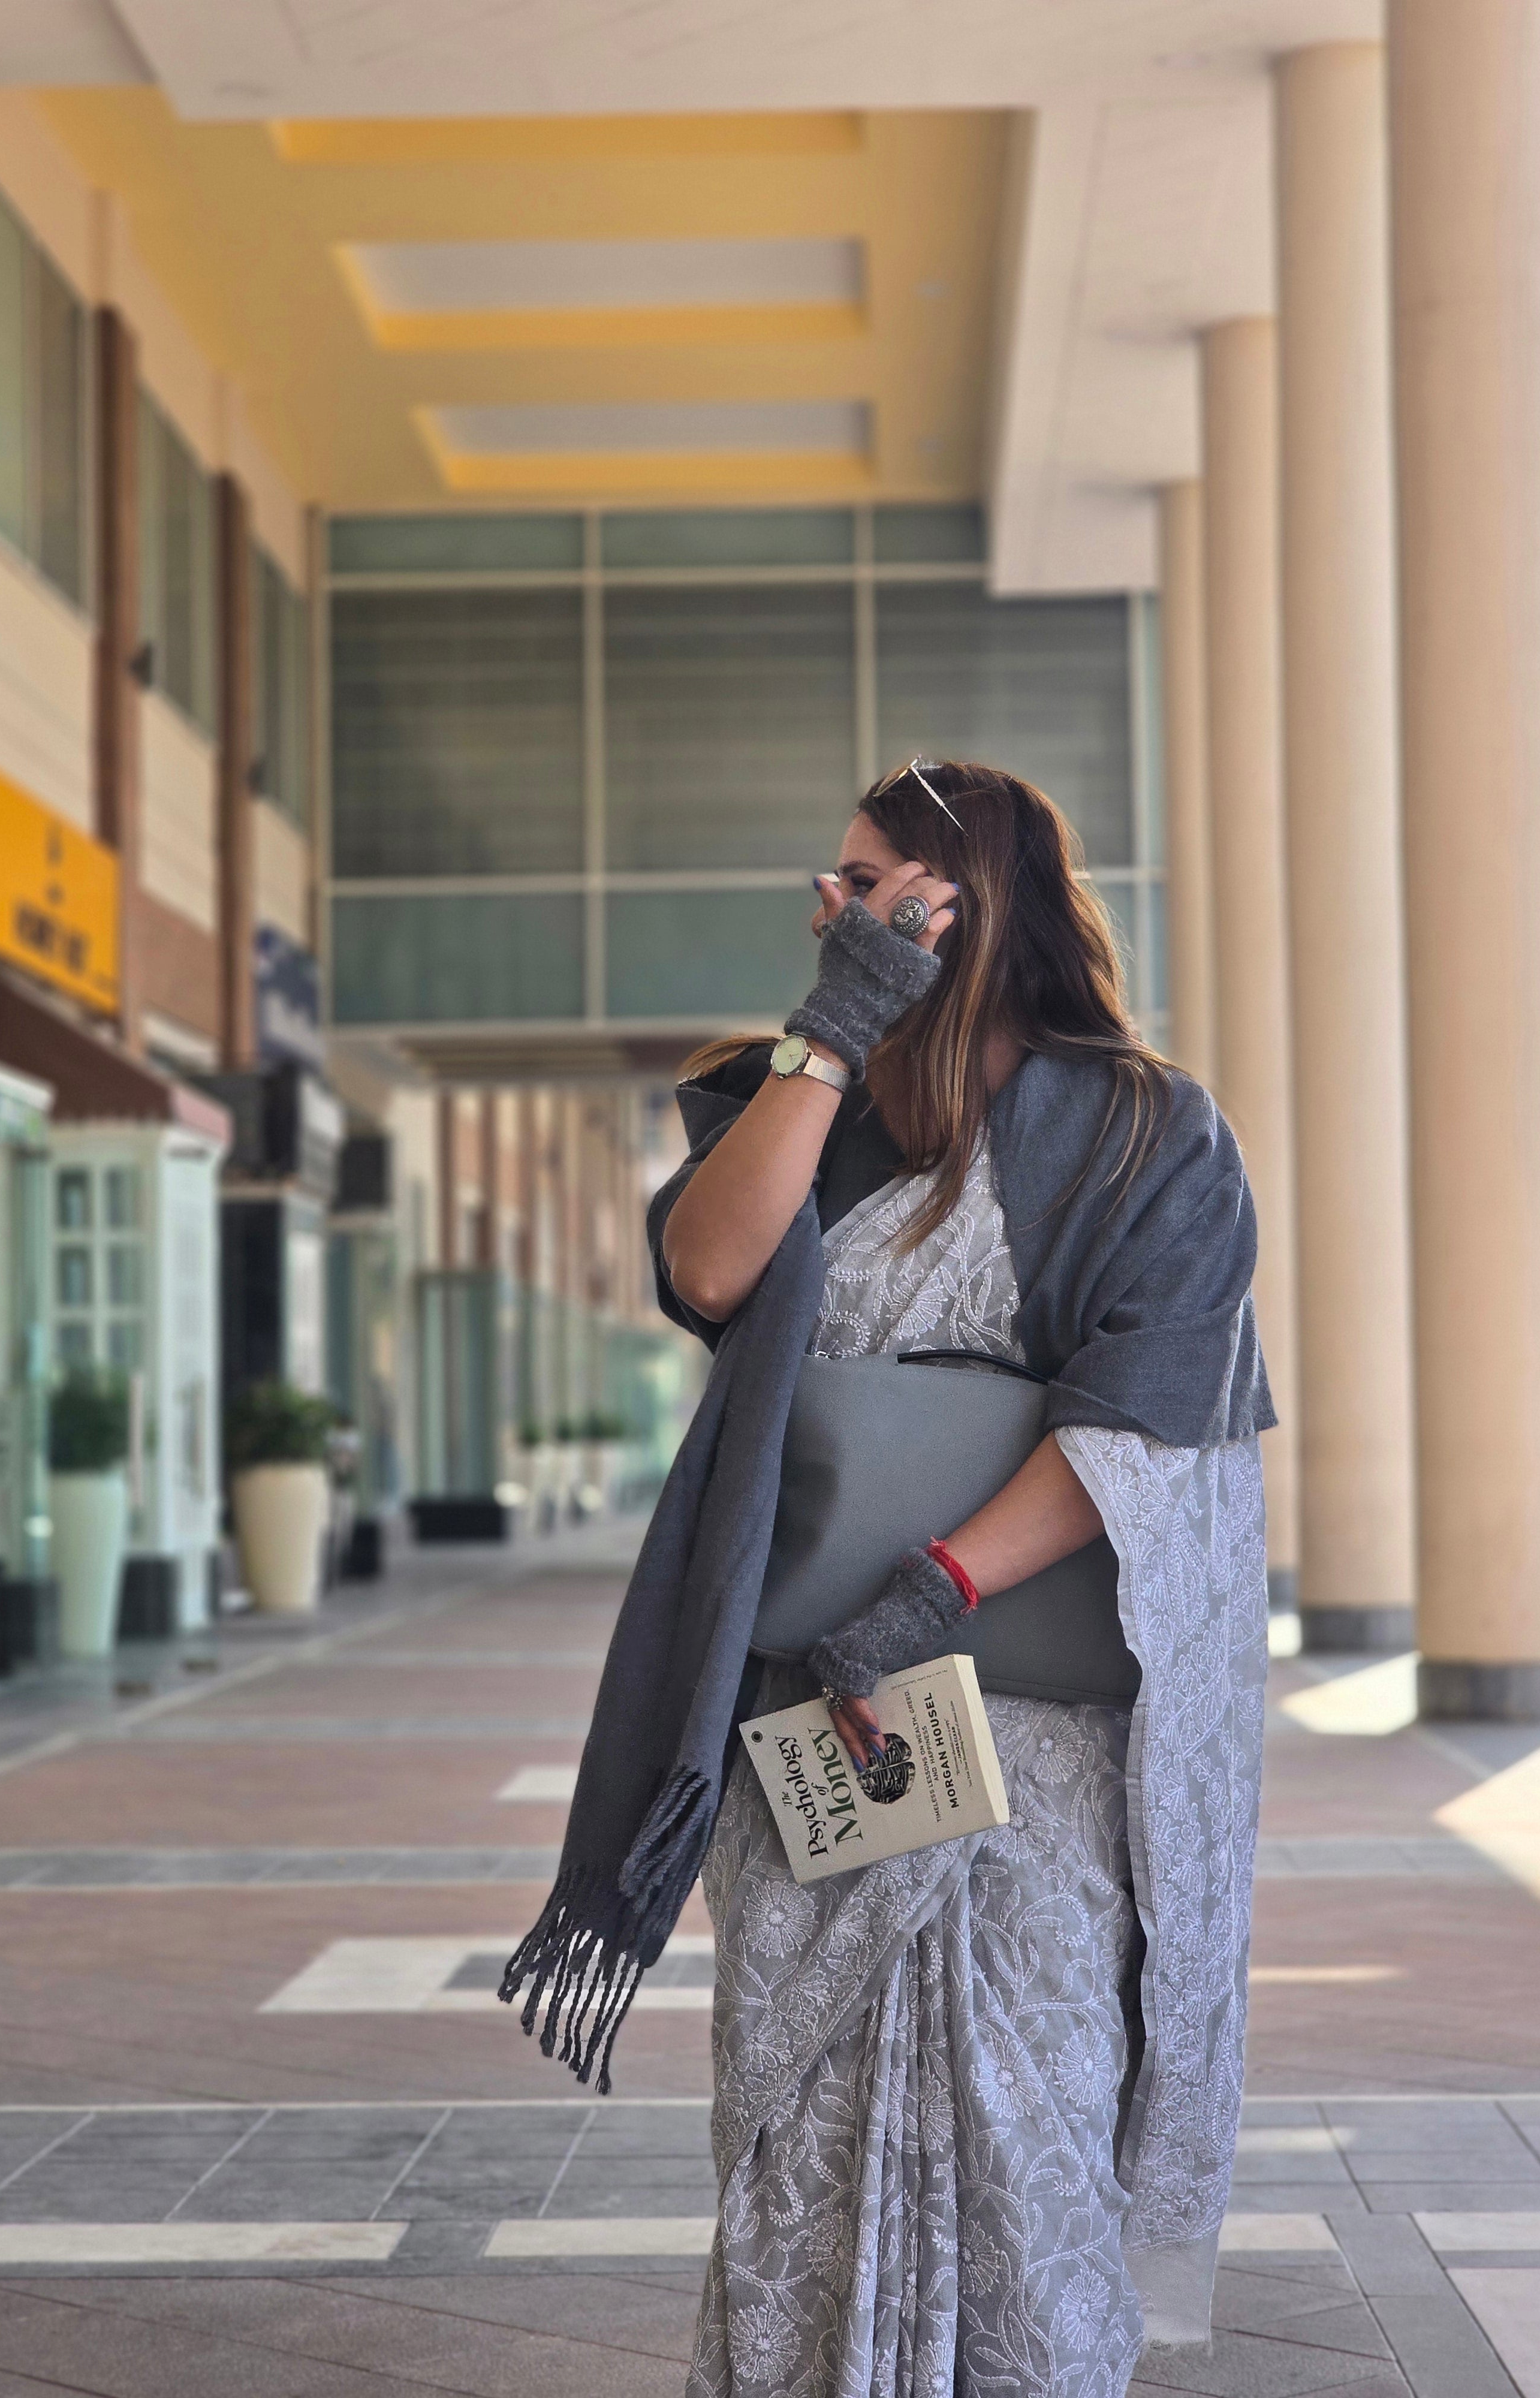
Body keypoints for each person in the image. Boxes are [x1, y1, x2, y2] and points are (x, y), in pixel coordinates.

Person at [501, 760, 1272, 2388]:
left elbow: (1143, 1412)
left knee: (1030, 2121)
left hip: (1032, 1737)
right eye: (836, 884)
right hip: (813, 1709)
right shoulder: (800, 1100)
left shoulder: (1150, 1131)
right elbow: (711, 1267)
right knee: (799, 2120)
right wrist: (838, 1025)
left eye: (863, 885)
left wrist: (936, 1589)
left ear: (961, 903)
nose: (827, 905)